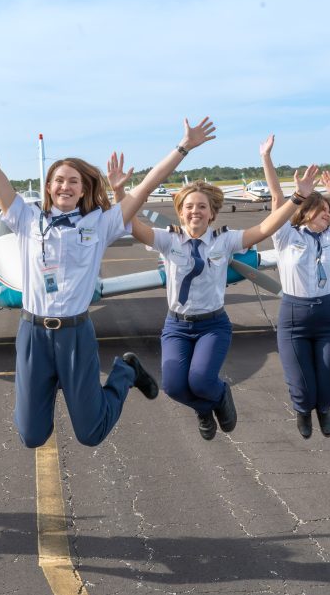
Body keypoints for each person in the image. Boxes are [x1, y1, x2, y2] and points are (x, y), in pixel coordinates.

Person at [0, 80, 213, 448]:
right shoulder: (25, 217)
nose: (65, 186)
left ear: (84, 189)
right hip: (34, 334)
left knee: (90, 434)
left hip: (75, 333)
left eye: (73, 181)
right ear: (49, 187)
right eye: (58, 180)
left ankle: (125, 371)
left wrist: (182, 147)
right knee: (31, 435)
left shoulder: (100, 223)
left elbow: (147, 187)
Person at [109, 150, 317, 440]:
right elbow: (130, 224)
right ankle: (205, 409)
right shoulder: (168, 239)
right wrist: (119, 191)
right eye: (189, 207)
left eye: (202, 207)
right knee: (174, 387)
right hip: (177, 326)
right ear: (180, 212)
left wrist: (298, 197)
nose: (195, 211)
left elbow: (265, 228)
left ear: (212, 213)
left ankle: (219, 395)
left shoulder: (225, 240)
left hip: (212, 326)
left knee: (201, 380)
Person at [261, 135, 330, 438]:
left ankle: (324, 407)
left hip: (329, 314)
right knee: (301, 383)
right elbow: (277, 198)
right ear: (306, 212)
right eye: (323, 211)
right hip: (294, 315)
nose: (328, 216)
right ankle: (304, 410)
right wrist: (266, 157)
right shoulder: (285, 236)